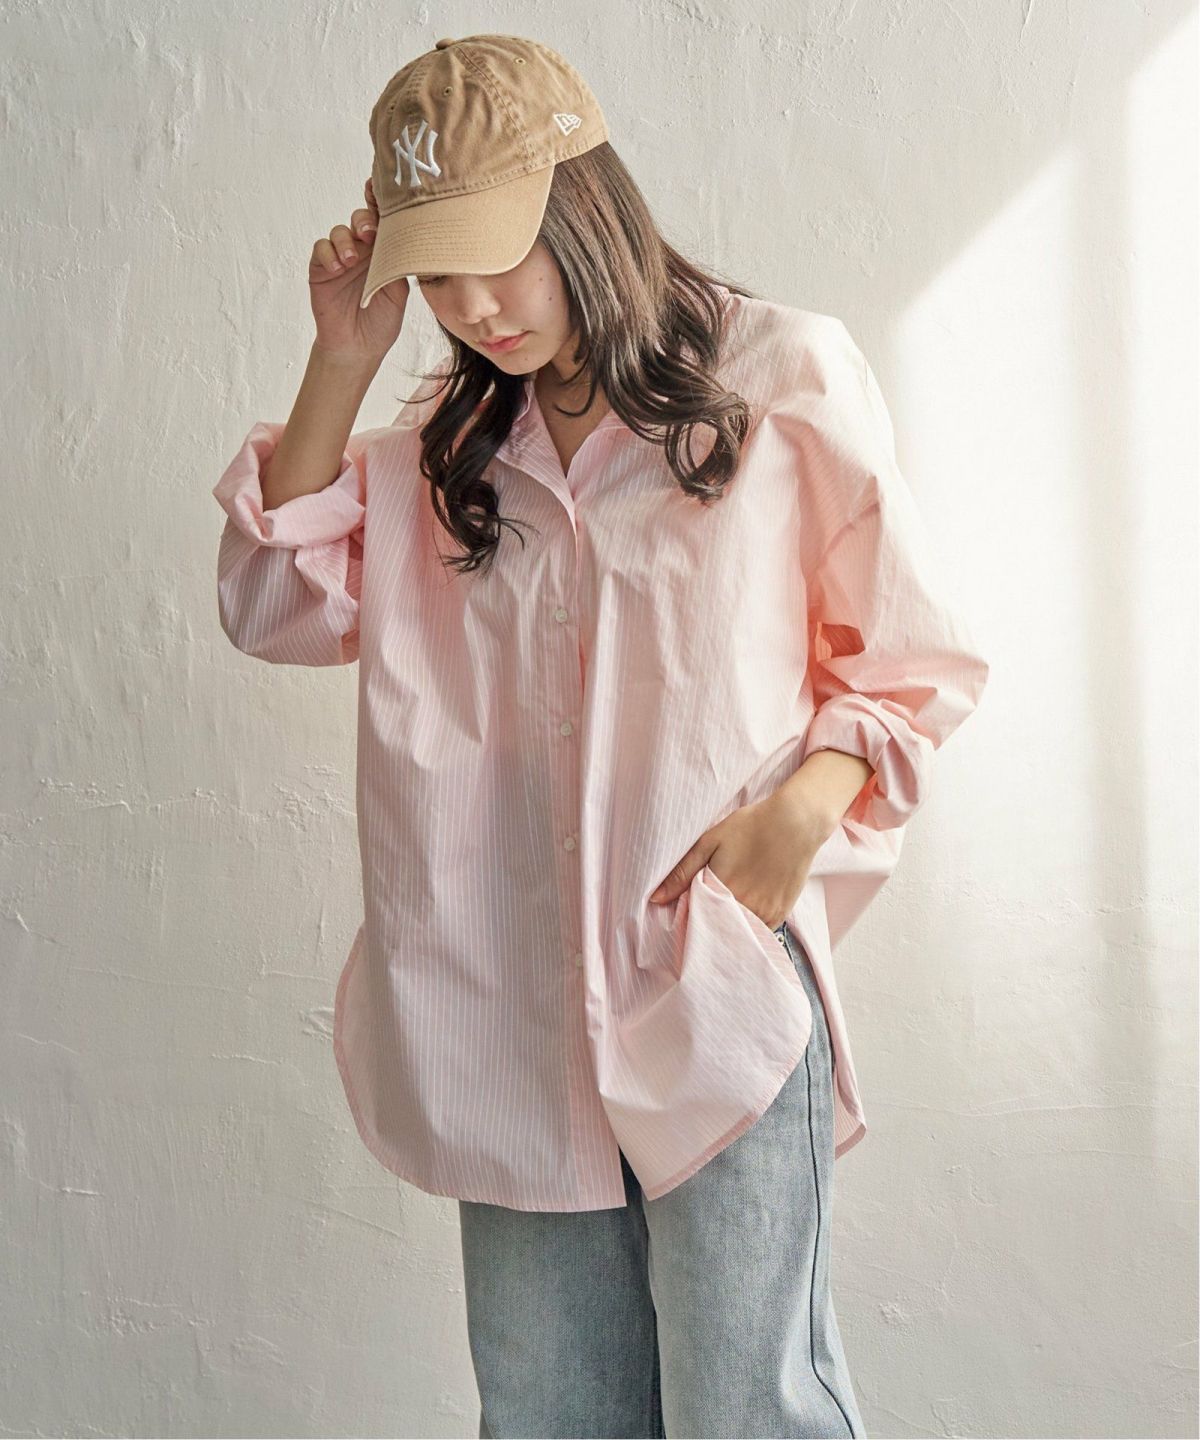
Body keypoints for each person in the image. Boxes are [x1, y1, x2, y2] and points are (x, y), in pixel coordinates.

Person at [211, 33, 989, 1440]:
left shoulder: (780, 378)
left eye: (496, 256)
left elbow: (911, 657)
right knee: (550, 1417)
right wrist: (342, 359)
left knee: (752, 1410)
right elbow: (269, 606)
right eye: (434, 275)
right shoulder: (446, 455)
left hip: (711, 990)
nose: (472, 307)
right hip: (499, 1010)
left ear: (580, 201)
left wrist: (799, 815)